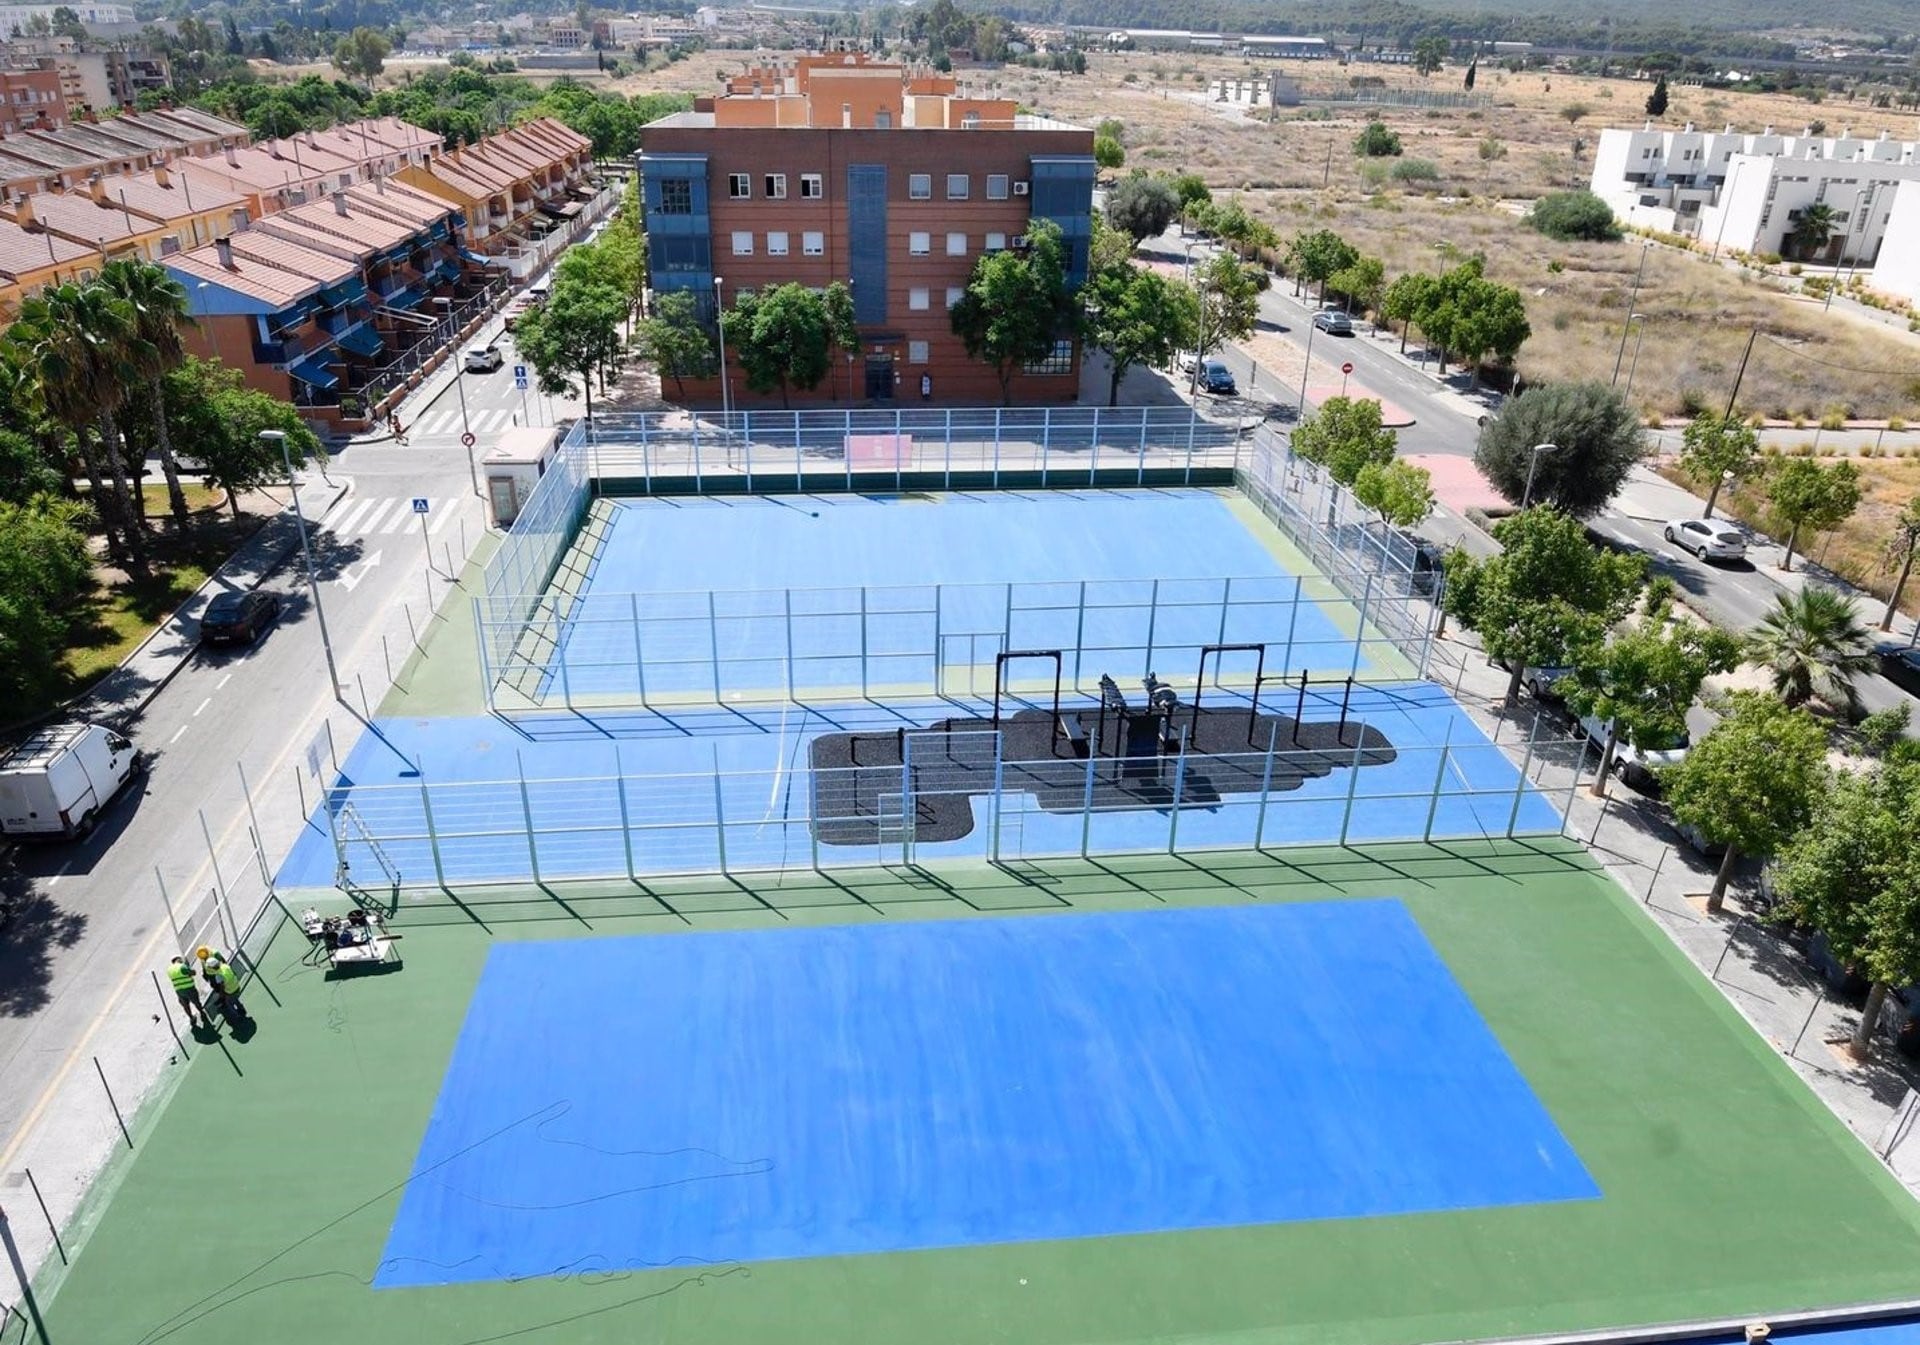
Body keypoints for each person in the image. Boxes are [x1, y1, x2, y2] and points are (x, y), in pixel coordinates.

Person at [198, 946, 245, 1022]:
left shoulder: (218, 976)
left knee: (229, 1004)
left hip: (229, 991)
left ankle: (236, 1017)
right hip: (236, 986)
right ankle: (241, 1009)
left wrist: (222, 996)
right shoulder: (225, 966)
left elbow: (222, 987)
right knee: (235, 999)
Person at [167, 955, 207, 1028]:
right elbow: (193, 973)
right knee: (196, 1002)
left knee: (185, 1005)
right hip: (189, 989)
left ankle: (191, 1017)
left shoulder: (169, 970)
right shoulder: (182, 967)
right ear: (178, 960)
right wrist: (190, 969)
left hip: (179, 991)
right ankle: (202, 1013)